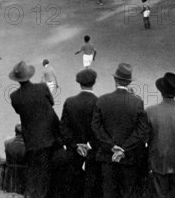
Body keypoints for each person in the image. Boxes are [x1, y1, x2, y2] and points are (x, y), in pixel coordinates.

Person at [92, 63, 149, 198]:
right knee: (127, 193)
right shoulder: (137, 102)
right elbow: (142, 130)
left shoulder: (102, 100)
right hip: (128, 158)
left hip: (107, 157)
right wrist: (123, 148)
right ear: (129, 82)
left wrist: (111, 146)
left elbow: (96, 127)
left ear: (115, 80)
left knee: (109, 193)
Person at [10, 61, 62, 198]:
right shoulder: (42, 88)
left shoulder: (15, 97)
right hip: (52, 133)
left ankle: (32, 194)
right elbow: (51, 102)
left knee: (35, 169)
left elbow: (18, 111)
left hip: (32, 138)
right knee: (48, 170)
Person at [60, 68, 101, 198]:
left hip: (73, 152)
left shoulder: (70, 102)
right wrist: (89, 145)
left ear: (79, 83)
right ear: (94, 82)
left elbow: (63, 128)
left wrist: (75, 145)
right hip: (92, 153)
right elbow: (99, 129)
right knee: (91, 185)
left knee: (73, 185)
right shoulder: (99, 102)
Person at [3, 124, 27, 195]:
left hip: (10, 174)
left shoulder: (7, 142)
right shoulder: (30, 144)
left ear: (15, 131)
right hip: (25, 174)